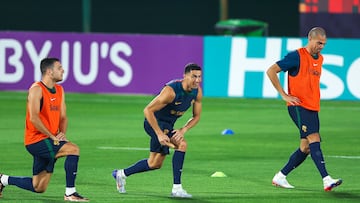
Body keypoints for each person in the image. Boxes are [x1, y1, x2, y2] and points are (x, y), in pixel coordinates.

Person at [0, 58, 89, 202]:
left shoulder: (59, 90)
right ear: (49, 71)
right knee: (73, 150)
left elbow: (63, 116)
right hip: (36, 140)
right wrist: (52, 136)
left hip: (50, 140)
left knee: (39, 186)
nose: (63, 70)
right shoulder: (36, 89)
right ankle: (70, 193)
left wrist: (61, 134)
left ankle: (3, 180)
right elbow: (34, 118)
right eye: (59, 68)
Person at [266, 27, 342, 191]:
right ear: (310, 39)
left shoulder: (320, 59)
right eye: (319, 43)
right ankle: (326, 179)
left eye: (324, 44)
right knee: (314, 138)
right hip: (298, 107)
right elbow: (271, 71)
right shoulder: (296, 56)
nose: (321, 46)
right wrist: (284, 95)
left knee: (306, 147)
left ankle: (280, 176)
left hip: (312, 107)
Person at [112, 63, 203, 198]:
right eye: (194, 76)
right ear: (185, 76)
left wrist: (183, 129)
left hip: (167, 126)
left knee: (154, 163)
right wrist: (159, 133)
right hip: (153, 123)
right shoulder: (171, 91)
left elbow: (196, 116)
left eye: (199, 77)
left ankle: (121, 174)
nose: (197, 80)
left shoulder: (197, 92)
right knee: (182, 145)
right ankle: (177, 189)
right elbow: (148, 110)